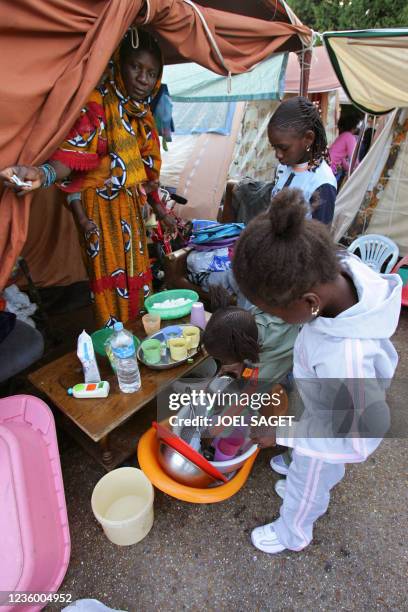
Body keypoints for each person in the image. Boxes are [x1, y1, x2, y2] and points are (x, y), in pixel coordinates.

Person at [231, 187, 401, 554]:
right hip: (323, 403)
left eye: (275, 313)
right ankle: (300, 468)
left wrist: (283, 432)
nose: (274, 319)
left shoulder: (347, 359)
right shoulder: (334, 271)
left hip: (334, 430)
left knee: (308, 482)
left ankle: (294, 532)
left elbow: (355, 440)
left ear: (309, 303)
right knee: (305, 463)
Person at [0, 30, 174, 329]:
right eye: (135, 67)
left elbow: (146, 173)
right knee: (108, 283)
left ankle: (141, 339)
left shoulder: (142, 115)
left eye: (151, 73)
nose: (144, 79)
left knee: (137, 275)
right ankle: (117, 345)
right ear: (119, 64)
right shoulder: (97, 103)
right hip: (98, 211)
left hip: (131, 209)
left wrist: (161, 211)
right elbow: (76, 152)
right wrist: (43, 174)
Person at [202, 285, 298, 385]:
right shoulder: (250, 316)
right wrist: (240, 364)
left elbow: (256, 388)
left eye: (225, 361)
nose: (224, 363)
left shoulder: (273, 351)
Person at [329, 113, 361, 187]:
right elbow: (354, 158)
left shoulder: (343, 136)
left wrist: (349, 168)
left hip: (327, 166)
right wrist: (360, 168)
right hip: (331, 169)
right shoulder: (349, 137)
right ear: (354, 127)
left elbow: (342, 160)